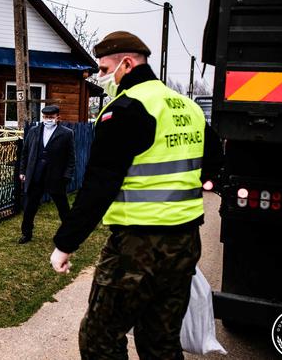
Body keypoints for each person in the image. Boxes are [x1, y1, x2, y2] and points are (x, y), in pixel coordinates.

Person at [49, 31, 222, 359]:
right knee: (161, 339)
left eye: (103, 69)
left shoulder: (126, 109)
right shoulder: (187, 107)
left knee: (100, 336)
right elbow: (214, 159)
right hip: (184, 243)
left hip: (138, 246)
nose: (99, 77)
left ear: (126, 64)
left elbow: (99, 185)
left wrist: (65, 244)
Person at [18, 105, 75, 244]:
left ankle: (69, 234)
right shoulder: (33, 131)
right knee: (30, 207)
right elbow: (25, 153)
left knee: (63, 207)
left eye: (51, 117)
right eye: (45, 117)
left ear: (57, 117)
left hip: (56, 177)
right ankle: (26, 233)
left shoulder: (66, 133)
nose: (48, 119)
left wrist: (66, 176)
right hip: (36, 175)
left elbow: (71, 158)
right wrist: (22, 171)